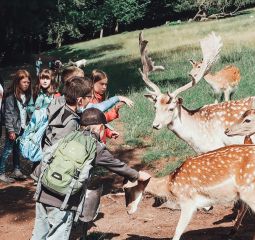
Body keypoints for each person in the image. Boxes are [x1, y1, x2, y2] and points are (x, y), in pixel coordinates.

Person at [31, 108, 151, 240]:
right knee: (57, 235)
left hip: (43, 192)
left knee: (39, 235)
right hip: (62, 200)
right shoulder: (95, 147)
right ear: (100, 128)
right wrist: (137, 175)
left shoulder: (69, 136)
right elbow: (116, 165)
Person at [0, 70, 33, 183]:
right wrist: (10, 130)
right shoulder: (10, 95)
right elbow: (8, 114)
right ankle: (1, 173)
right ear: (18, 82)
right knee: (7, 151)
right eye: (24, 82)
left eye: (28, 82)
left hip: (22, 128)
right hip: (13, 128)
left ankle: (16, 170)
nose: (26, 84)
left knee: (17, 149)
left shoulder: (27, 94)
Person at [90, 69, 134, 142]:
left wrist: (108, 133)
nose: (104, 87)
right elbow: (95, 122)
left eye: (106, 84)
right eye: (101, 84)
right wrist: (118, 99)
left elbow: (100, 121)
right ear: (92, 83)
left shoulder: (99, 98)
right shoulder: (89, 100)